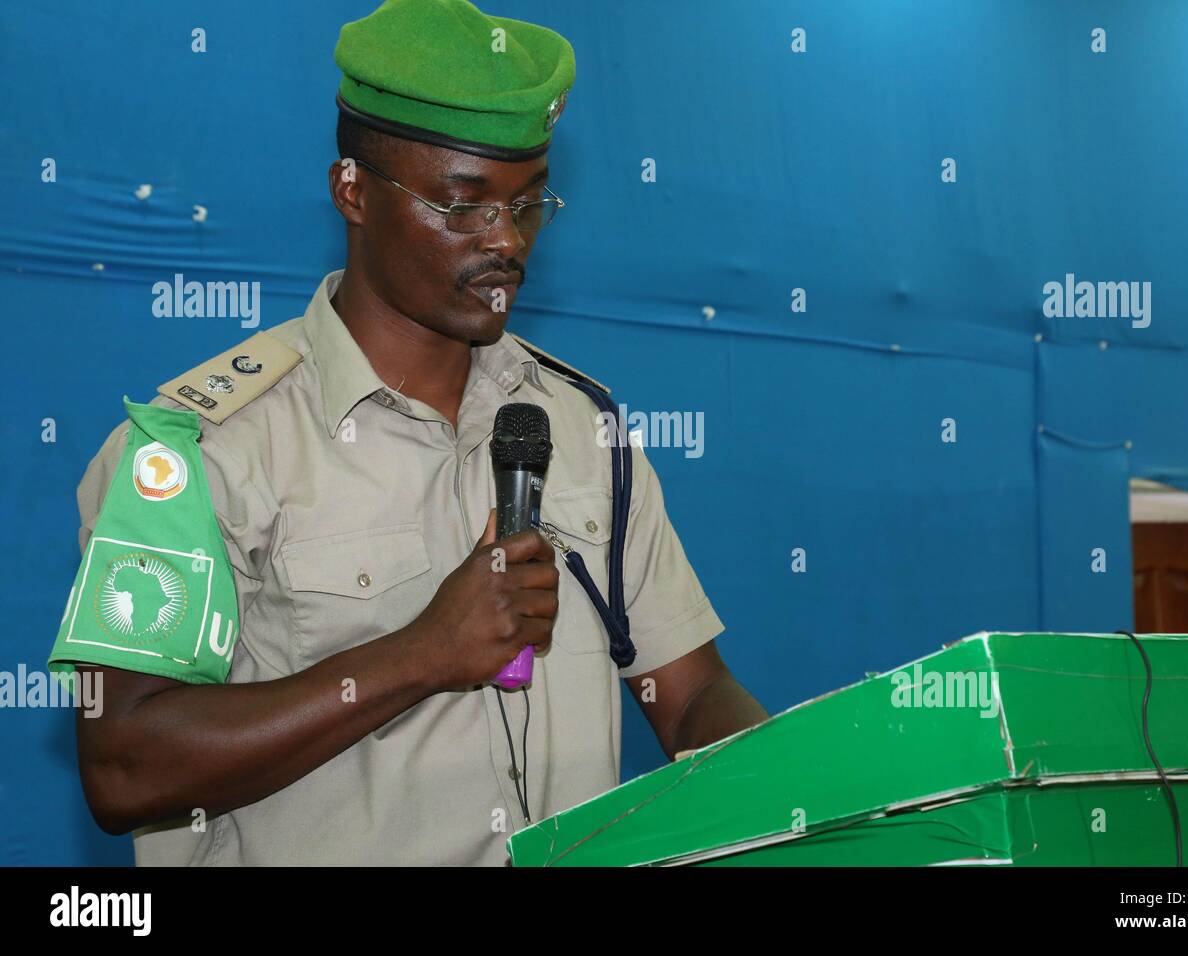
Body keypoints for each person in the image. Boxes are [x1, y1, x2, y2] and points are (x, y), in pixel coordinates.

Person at [47, 0, 767, 866]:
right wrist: (424, 653)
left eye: (530, 202)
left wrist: (818, 789)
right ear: (352, 190)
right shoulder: (194, 451)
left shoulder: (583, 426)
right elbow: (124, 767)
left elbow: (689, 698)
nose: (507, 241)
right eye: (463, 206)